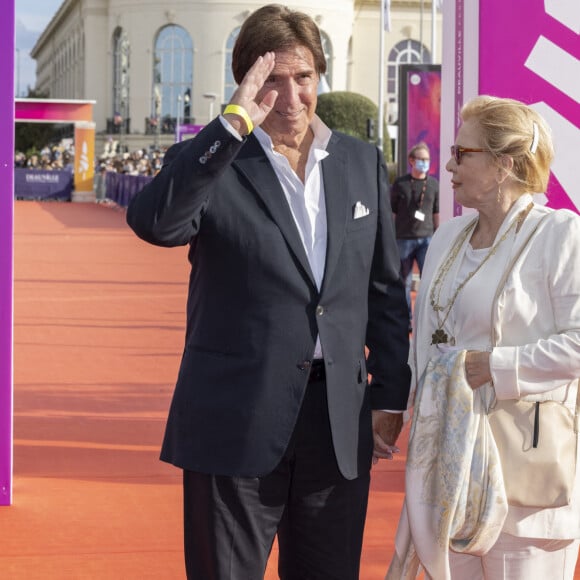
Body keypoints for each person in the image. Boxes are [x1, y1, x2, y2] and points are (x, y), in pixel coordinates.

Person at [126, 4, 411, 579]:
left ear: (319, 78)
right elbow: (156, 223)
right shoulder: (211, 162)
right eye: (272, 79)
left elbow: (383, 289)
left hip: (335, 424)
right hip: (234, 421)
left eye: (302, 77)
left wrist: (389, 394)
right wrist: (231, 126)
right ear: (246, 83)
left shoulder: (360, 162)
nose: (290, 96)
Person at [387, 95, 580, 580]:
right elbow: (427, 340)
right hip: (451, 475)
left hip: (528, 486)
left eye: (462, 153)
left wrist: (495, 366)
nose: (447, 165)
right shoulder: (448, 237)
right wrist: (399, 409)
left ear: (504, 164)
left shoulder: (561, 235)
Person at [390, 141, 439, 329]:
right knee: (405, 281)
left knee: (429, 280)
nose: (424, 163)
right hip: (403, 238)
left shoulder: (433, 184)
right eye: (421, 159)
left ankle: (425, 318)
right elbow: (393, 212)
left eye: (427, 159)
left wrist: (437, 237)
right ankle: (407, 319)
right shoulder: (400, 183)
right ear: (412, 160)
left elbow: (436, 213)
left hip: (426, 239)